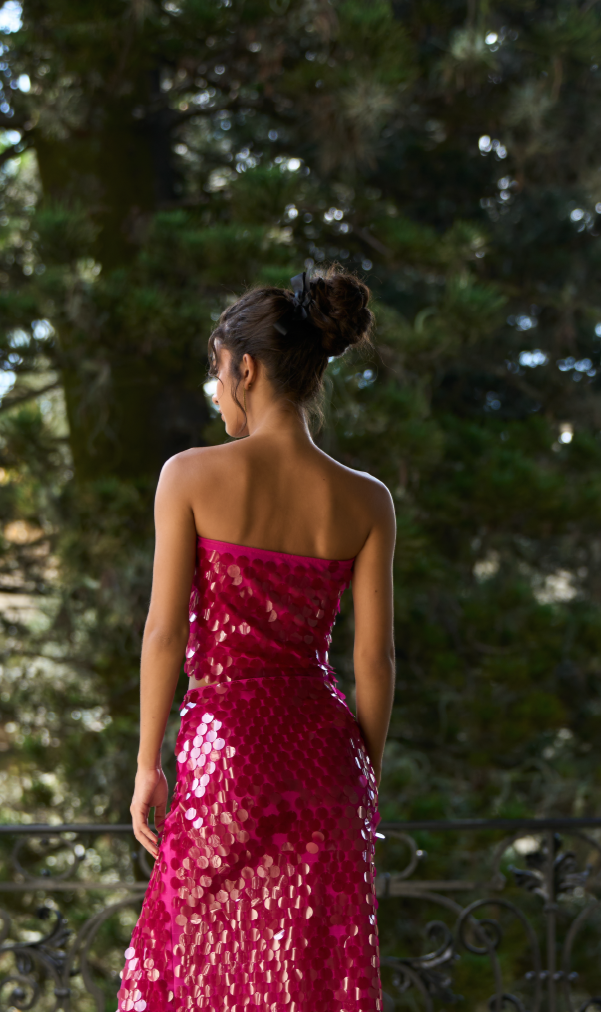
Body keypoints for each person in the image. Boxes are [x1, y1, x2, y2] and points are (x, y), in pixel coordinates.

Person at [117, 266, 396, 1012]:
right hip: (326, 763)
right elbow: (373, 661)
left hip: (228, 756)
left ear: (245, 368)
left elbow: (164, 633)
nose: (214, 391)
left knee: (197, 972)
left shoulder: (189, 476)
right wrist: (362, 776)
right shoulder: (367, 499)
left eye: (216, 372)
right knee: (306, 978)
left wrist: (147, 765)